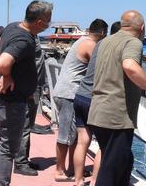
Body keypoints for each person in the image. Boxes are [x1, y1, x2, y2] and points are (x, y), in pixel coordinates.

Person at [87, 11, 146, 186]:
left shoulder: (106, 40)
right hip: (117, 116)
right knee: (111, 170)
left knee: (124, 162)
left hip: (98, 111)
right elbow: (129, 66)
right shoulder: (133, 42)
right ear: (142, 27)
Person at [0, 0, 53, 186]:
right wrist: (6, 75)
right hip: (11, 100)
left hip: (1, 96)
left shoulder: (12, 26)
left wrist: (8, 71)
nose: (49, 24)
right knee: (8, 148)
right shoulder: (23, 39)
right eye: (48, 20)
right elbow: (2, 64)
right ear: (39, 22)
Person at [52, 19, 108, 182]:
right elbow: (100, 68)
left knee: (74, 136)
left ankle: (72, 169)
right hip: (69, 93)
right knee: (66, 135)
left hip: (65, 91)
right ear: (103, 33)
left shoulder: (82, 40)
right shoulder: (90, 44)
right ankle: (59, 171)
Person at [71, 21, 113, 186]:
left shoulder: (95, 46)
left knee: (82, 141)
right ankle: (96, 180)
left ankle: (78, 180)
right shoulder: (107, 47)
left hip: (80, 95)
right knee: (104, 145)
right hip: (92, 99)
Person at [12, 29, 48, 176]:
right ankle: (20, 163)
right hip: (30, 88)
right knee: (25, 127)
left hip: (34, 86)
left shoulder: (33, 38)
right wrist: (30, 89)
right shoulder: (26, 39)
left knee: (28, 126)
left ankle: (23, 160)